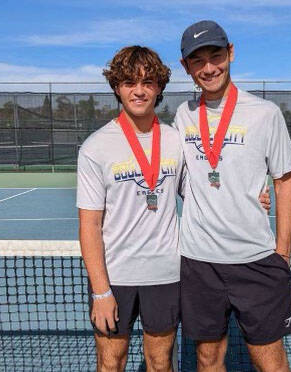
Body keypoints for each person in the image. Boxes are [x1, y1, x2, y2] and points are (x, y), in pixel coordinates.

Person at [174, 20, 291, 372]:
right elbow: (177, 176)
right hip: (199, 262)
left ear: (231, 53)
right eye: (198, 61)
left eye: (216, 56)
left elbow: (285, 180)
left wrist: (283, 252)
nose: (209, 68)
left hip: (256, 259)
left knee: (270, 361)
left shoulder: (266, 114)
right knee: (207, 358)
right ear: (186, 67)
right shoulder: (182, 116)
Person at [77, 45, 183, 372]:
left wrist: (255, 196)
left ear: (159, 87)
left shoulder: (176, 140)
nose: (139, 91)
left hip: (166, 274)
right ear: (117, 88)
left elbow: (201, 194)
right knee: (111, 362)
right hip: (115, 278)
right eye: (129, 83)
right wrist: (100, 292)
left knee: (160, 362)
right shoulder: (96, 147)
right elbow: (90, 225)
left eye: (147, 82)